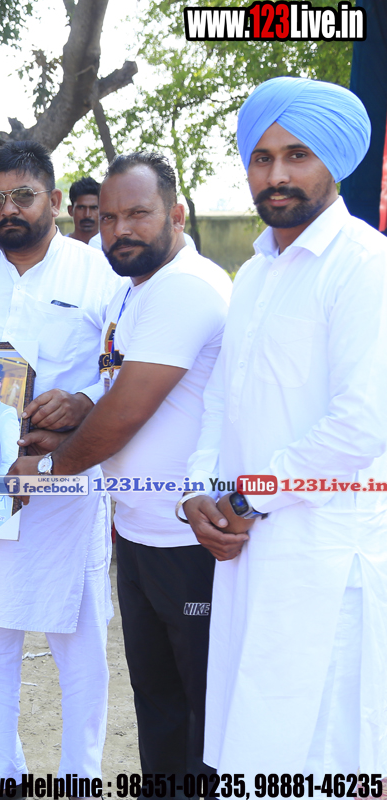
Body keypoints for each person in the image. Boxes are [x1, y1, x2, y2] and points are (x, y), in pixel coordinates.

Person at [182, 77, 387, 773]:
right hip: (248, 552)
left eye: (297, 155)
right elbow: (221, 401)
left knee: (324, 752)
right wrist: (200, 492)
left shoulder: (363, 265)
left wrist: (245, 500)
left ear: (334, 161)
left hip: (322, 557)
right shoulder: (254, 274)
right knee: (254, 745)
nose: (276, 175)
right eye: (261, 158)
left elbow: (360, 426)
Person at [9, 152, 231, 780]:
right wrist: (78, 408)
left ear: (176, 215)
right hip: (138, 529)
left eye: (138, 214)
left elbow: (129, 411)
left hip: (190, 538)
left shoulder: (186, 287)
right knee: (158, 703)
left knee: (202, 712)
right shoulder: (134, 290)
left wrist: (48, 474)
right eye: (107, 218)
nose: (119, 230)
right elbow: (114, 390)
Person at [0, 142, 124, 799]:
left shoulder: (98, 272)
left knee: (79, 640)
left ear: (55, 201)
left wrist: (84, 400)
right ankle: (0, 778)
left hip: (63, 484)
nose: (9, 210)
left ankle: (80, 781)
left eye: (24, 197)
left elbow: (123, 367)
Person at [67, 177, 100, 244]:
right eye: (81, 208)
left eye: (94, 208)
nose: (87, 215)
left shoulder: (112, 247)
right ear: (70, 210)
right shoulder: (60, 248)